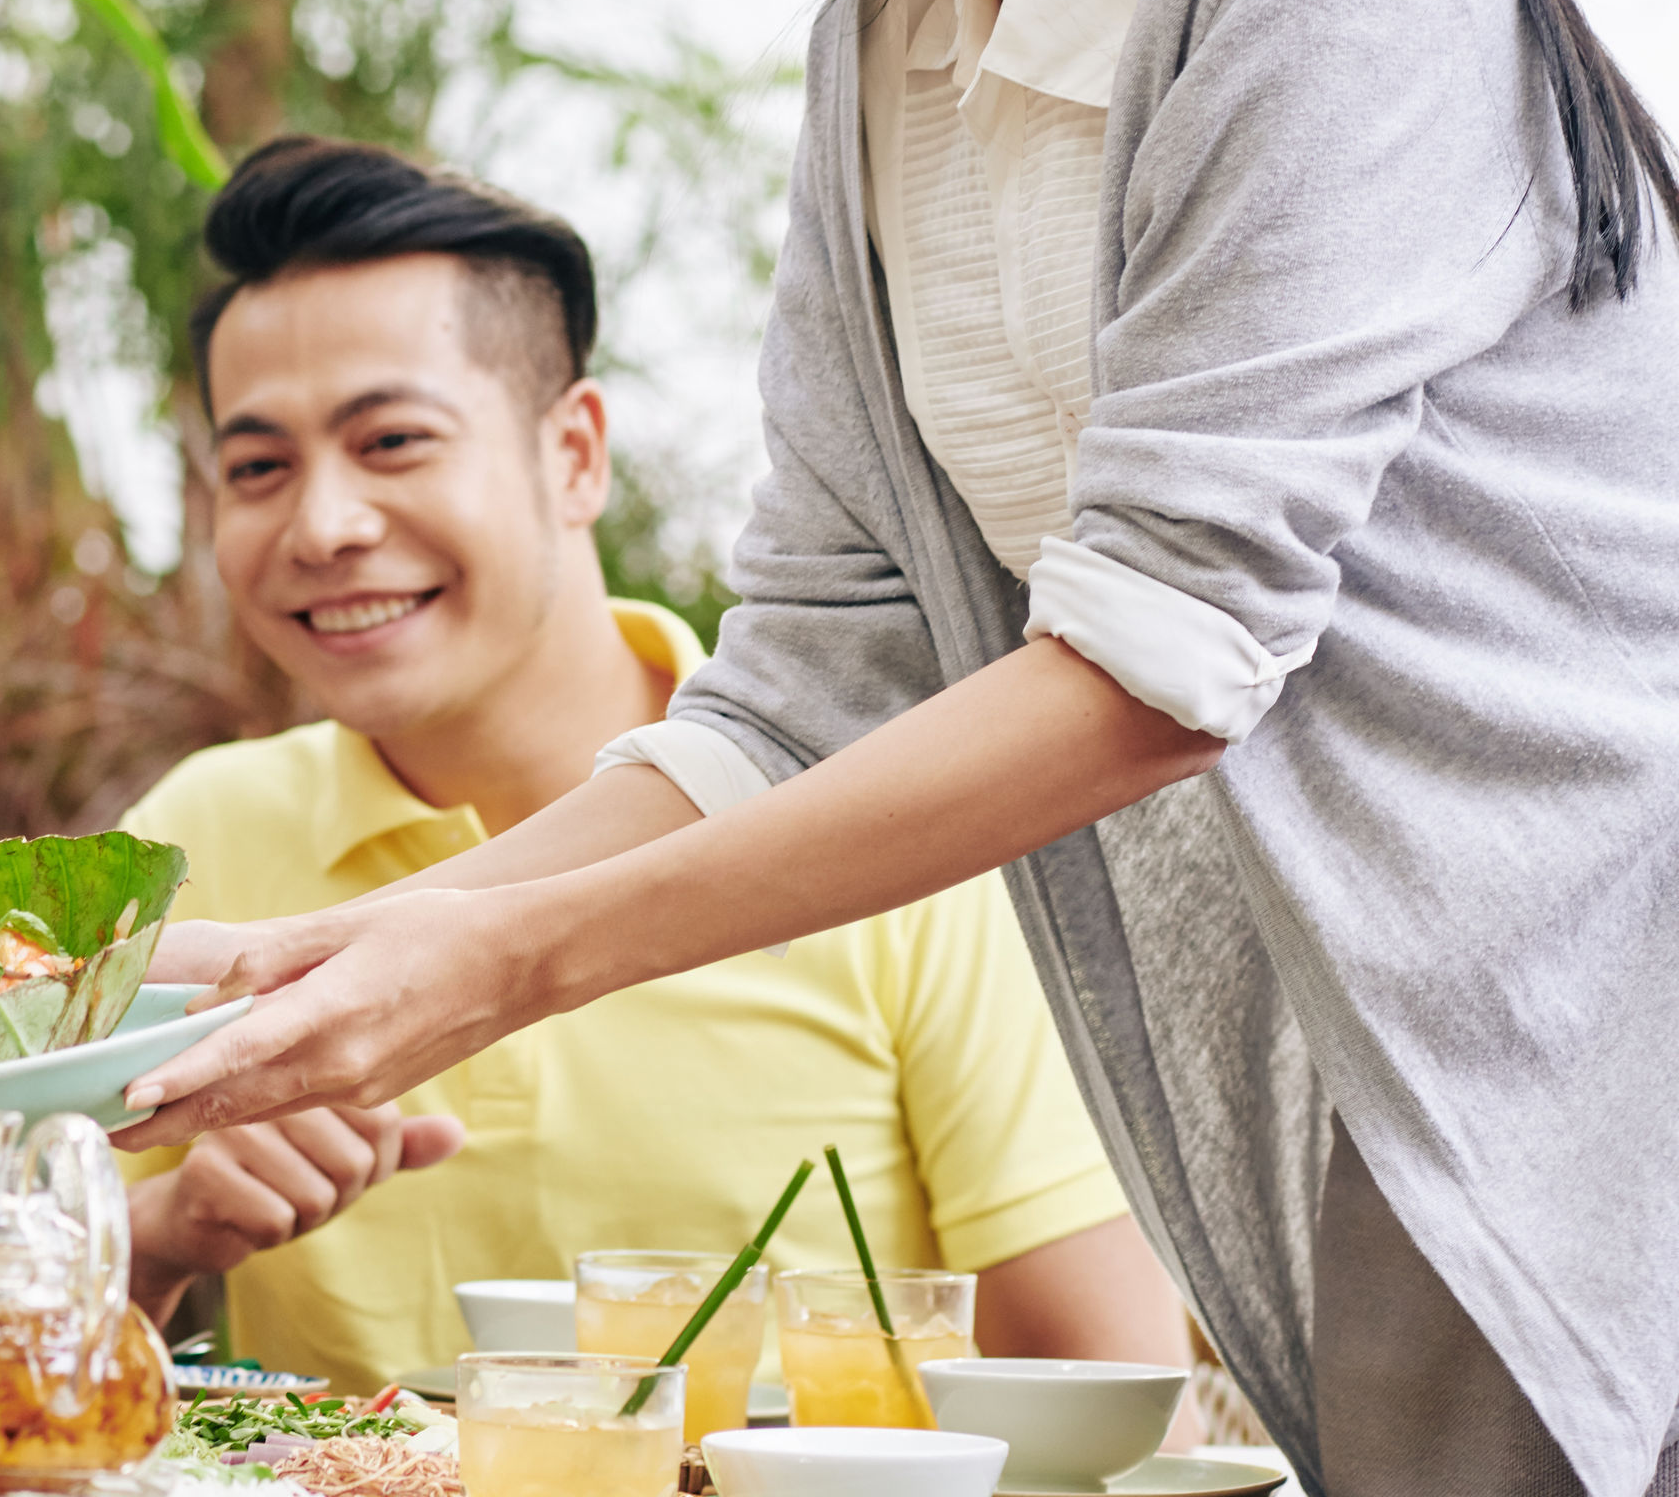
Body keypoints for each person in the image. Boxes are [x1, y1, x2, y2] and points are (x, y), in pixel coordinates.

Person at [117, 0, 1679, 1493]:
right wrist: (323, 954)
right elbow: (808, 686)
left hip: (1599, 1069)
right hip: (1374, 1117)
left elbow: (1159, 663)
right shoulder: (889, 61)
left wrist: (492, 962)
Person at [117, 138, 1185, 1397]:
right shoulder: (196, 846)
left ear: (574, 453)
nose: (323, 526)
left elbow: (1113, 1400)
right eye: (258, 468)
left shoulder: (886, 823)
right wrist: (158, 1241)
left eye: (393, 441)